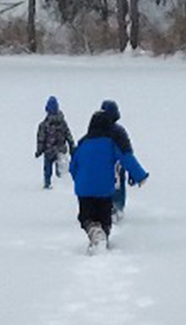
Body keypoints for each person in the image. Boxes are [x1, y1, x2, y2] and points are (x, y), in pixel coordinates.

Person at [69, 110, 149, 251]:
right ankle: (102, 236)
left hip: (84, 190)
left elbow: (73, 167)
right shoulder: (111, 144)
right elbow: (126, 159)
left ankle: (95, 234)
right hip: (105, 189)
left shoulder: (82, 144)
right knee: (104, 217)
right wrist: (140, 176)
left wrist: (80, 180)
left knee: (86, 217)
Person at [100, 99, 133, 219]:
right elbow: (127, 151)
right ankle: (118, 208)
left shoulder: (96, 130)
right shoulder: (119, 131)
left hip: (102, 166)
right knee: (119, 185)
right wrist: (132, 170)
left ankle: (110, 208)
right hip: (118, 166)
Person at [35, 96, 74, 189]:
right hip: (61, 150)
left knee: (47, 169)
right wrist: (72, 145)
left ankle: (47, 183)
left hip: (49, 151)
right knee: (61, 168)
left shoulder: (44, 124)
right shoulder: (62, 122)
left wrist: (39, 150)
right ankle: (62, 183)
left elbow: (41, 139)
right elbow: (68, 134)